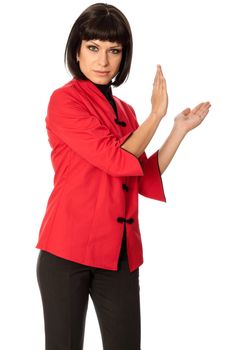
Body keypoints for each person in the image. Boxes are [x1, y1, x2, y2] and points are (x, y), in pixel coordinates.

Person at [35, 3, 211, 350]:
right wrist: (156, 115)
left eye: (113, 50)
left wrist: (177, 129)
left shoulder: (126, 112)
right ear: (77, 50)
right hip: (66, 251)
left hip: (119, 253)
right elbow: (115, 160)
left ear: (123, 57)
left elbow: (141, 177)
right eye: (93, 48)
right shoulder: (64, 101)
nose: (103, 61)